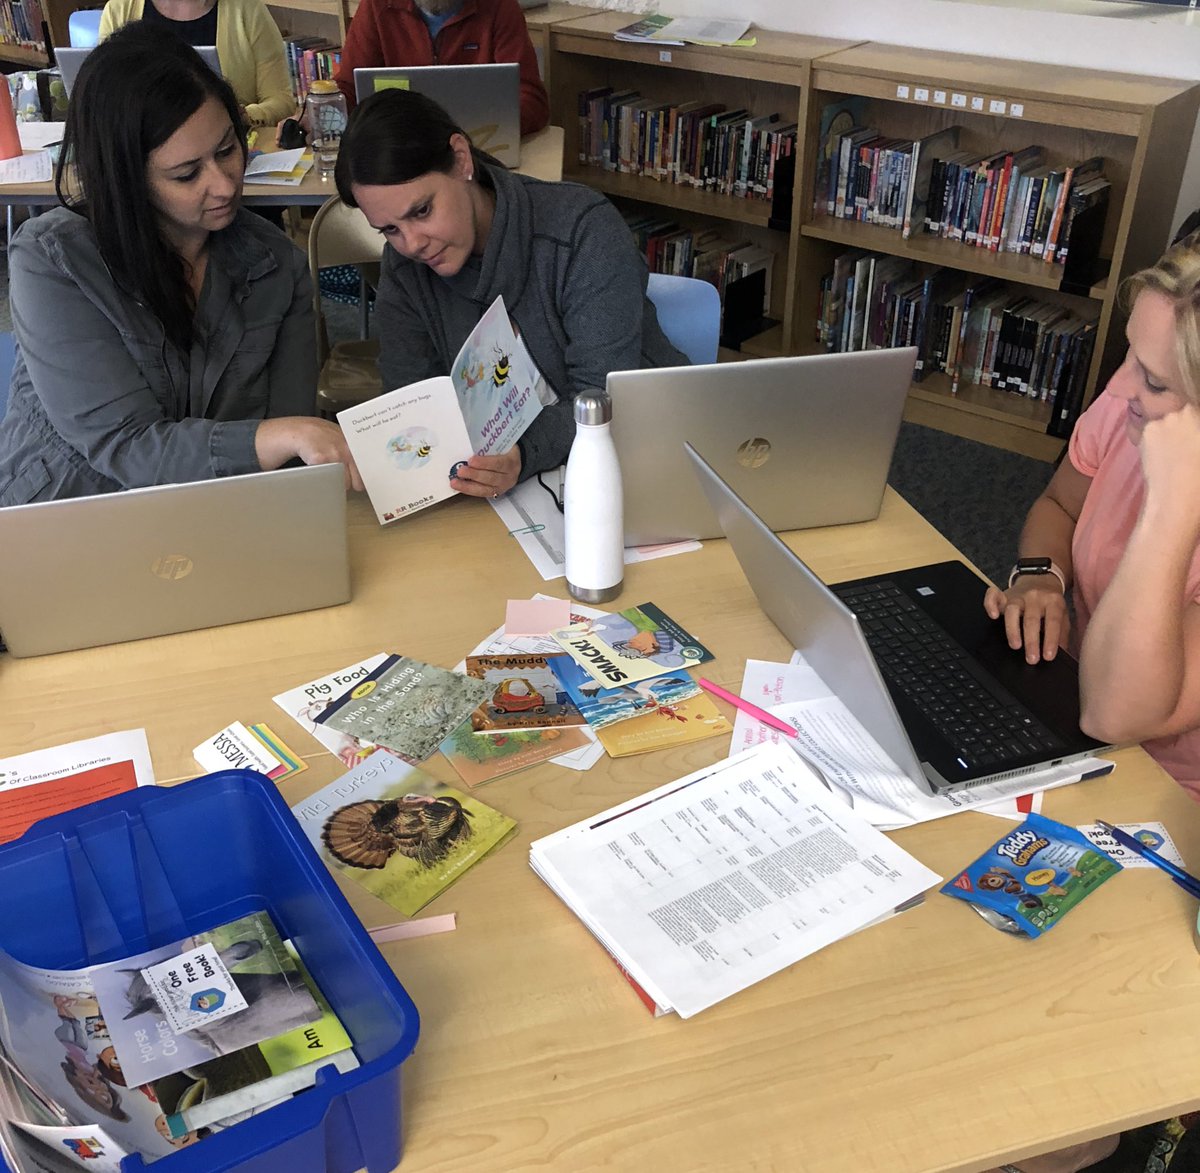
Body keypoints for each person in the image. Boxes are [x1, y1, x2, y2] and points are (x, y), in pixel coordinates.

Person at [0, 25, 360, 506]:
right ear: (127, 177)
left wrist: (292, 444)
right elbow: (125, 445)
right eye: (187, 174)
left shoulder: (277, 264)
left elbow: (288, 446)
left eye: (228, 150)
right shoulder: (53, 261)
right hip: (70, 513)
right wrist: (277, 437)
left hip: (218, 514)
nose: (225, 185)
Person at [334, 88, 687, 499]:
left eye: (422, 211)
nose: (412, 244)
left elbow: (600, 399)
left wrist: (523, 453)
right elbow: (410, 399)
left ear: (461, 159)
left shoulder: (582, 229)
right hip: (509, 488)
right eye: (390, 230)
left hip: (636, 456)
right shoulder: (405, 267)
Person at [983, 230, 1200, 800]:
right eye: (1129, 351)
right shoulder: (1128, 411)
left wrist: (1173, 506)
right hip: (1071, 711)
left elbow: (1117, 716)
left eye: (1154, 380)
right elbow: (1060, 506)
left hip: (1167, 792)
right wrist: (1040, 576)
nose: (1117, 385)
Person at [333, 0, 549, 136]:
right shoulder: (376, 6)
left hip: (477, 149)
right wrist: (328, 116)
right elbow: (348, 89)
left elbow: (531, 98)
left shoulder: (499, 6)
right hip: (398, 150)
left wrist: (488, 128)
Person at [99, 0, 296, 127]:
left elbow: (281, 101)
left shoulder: (247, 9)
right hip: (140, 154)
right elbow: (105, 98)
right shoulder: (119, 10)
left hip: (225, 150)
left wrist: (242, 116)